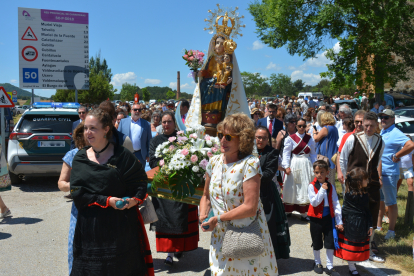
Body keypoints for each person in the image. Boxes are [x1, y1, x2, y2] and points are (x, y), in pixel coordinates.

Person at [69, 108, 153, 275]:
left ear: (106, 129)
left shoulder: (123, 156)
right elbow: (78, 193)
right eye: (86, 128)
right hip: (90, 229)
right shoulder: (80, 158)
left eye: (93, 128)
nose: (88, 132)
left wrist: (133, 201)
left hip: (121, 227)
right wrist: (107, 201)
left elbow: (140, 184)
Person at [199, 113, 279, 276]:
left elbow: (250, 207)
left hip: (246, 233)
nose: (222, 140)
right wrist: (203, 215)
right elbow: (206, 196)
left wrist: (219, 218)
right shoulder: (213, 162)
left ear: (242, 139)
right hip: (220, 234)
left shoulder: (249, 164)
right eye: (221, 135)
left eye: (228, 137)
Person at [149, 111, 199, 266]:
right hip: (163, 187)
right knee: (165, 220)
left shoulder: (183, 139)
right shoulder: (156, 140)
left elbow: (191, 158)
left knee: (180, 218)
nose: (165, 124)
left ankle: (179, 248)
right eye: (163, 122)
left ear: (174, 123)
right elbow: (152, 161)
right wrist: (163, 163)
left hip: (180, 185)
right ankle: (169, 253)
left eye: (169, 121)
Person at [339, 111, 385, 263]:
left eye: (372, 126)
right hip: (354, 185)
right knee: (352, 217)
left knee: (370, 216)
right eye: (366, 125)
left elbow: (377, 161)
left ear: (377, 126)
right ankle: (348, 249)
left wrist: (377, 178)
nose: (368, 128)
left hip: (371, 185)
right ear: (362, 124)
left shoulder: (380, 141)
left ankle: (369, 250)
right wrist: (348, 180)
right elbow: (343, 159)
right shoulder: (353, 138)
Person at [378, 109, 414, 240]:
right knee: (381, 200)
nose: (383, 119)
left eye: (386, 117)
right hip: (380, 172)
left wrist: (397, 155)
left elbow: (410, 144)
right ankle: (378, 226)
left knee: (391, 202)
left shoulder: (395, 132)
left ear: (393, 119)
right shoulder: (383, 131)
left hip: (389, 173)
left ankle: (391, 231)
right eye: (381, 117)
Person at [255, 126, 291, 259]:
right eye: (258, 137)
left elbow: (268, 174)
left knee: (268, 225)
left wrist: (248, 177)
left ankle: (268, 257)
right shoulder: (247, 151)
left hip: (266, 193)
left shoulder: (272, 153)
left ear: (268, 139)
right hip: (247, 193)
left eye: (264, 138)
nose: (261, 140)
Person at [58, 122, 87, 273]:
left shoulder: (104, 153)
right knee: (75, 248)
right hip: (79, 208)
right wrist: (77, 186)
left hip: (102, 206)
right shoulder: (72, 155)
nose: (89, 134)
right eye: (85, 131)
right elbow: (61, 183)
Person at [334, 168, 372, 275]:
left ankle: (352, 265)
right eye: (365, 179)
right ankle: (352, 267)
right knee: (351, 247)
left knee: (357, 247)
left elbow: (367, 211)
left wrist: (370, 226)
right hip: (351, 225)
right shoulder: (349, 195)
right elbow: (345, 210)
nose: (367, 181)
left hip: (362, 225)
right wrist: (340, 222)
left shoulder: (365, 194)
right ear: (359, 182)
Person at [308, 160, 343, 276]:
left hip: (328, 218)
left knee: (330, 242)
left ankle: (330, 266)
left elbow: (336, 203)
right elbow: (314, 202)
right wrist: (322, 190)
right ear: (314, 172)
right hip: (315, 219)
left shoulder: (331, 187)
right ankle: (317, 262)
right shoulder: (311, 186)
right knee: (316, 241)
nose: (319, 175)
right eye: (317, 172)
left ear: (327, 172)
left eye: (322, 172)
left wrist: (339, 221)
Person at [282, 118, 317, 220]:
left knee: (305, 186)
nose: (302, 128)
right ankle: (288, 210)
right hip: (295, 163)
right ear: (296, 126)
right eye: (299, 126)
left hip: (307, 164)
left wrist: (315, 166)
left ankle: (304, 213)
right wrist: (286, 166)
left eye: (303, 126)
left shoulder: (310, 139)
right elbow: (286, 154)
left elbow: (313, 154)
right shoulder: (290, 138)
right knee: (292, 185)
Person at [313, 112, 339, 184]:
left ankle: (327, 193)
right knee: (331, 179)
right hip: (333, 154)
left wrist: (314, 132)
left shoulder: (326, 128)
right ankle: (331, 193)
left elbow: (316, 139)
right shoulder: (334, 128)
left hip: (325, 156)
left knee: (324, 178)